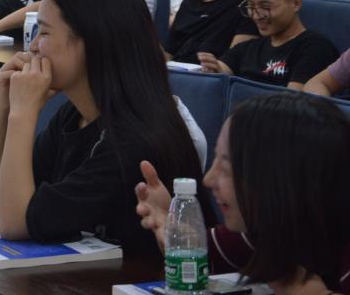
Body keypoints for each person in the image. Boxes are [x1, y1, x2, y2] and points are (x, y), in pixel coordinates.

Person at [0, 0, 207, 256]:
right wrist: (3, 105)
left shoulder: (134, 141)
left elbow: (15, 224)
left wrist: (23, 114)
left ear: (92, 42)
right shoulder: (75, 115)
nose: (32, 46)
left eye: (44, 32)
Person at [135, 92, 350, 294]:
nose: (208, 180)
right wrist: (169, 224)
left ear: (278, 180)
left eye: (225, 167)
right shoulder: (267, 228)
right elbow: (197, 260)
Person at [198, 0, 338, 89]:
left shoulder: (315, 48)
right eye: (251, 6)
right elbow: (222, 68)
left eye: (265, 7)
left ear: (295, 4)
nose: (256, 15)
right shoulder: (248, 48)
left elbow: (293, 101)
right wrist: (214, 69)